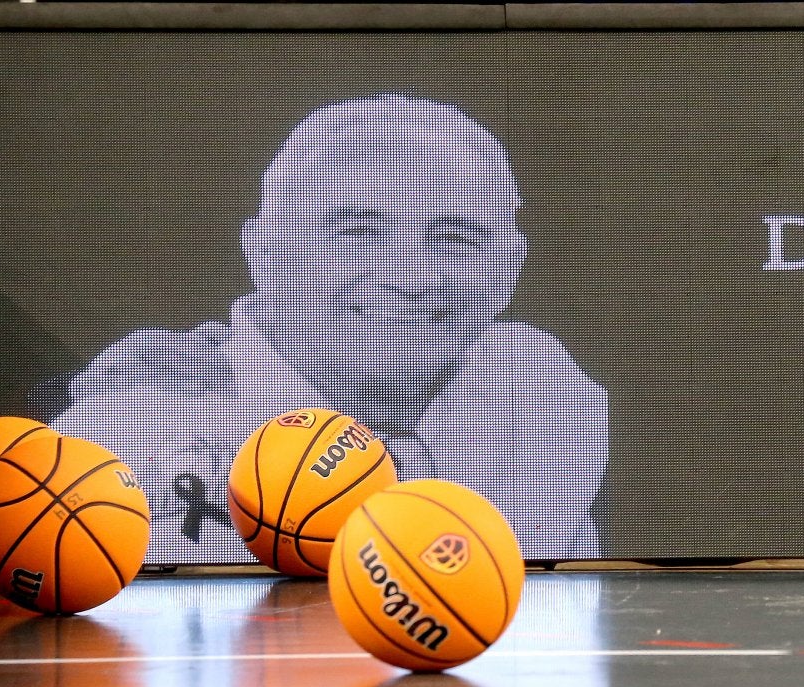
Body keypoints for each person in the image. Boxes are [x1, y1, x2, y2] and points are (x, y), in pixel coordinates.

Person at [54, 95, 608, 562]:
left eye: (457, 239)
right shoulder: (138, 410)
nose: (407, 277)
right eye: (356, 231)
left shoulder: (544, 398)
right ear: (263, 250)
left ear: (509, 269)